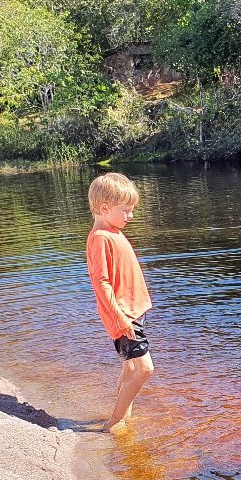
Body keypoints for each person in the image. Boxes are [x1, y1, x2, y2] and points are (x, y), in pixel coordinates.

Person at [85, 172, 155, 432]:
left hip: (132, 311)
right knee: (144, 370)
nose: (131, 215)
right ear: (104, 208)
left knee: (130, 369)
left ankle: (124, 418)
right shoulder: (101, 237)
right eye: (126, 210)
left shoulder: (111, 231)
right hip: (124, 314)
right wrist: (120, 318)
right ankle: (113, 423)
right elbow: (101, 282)